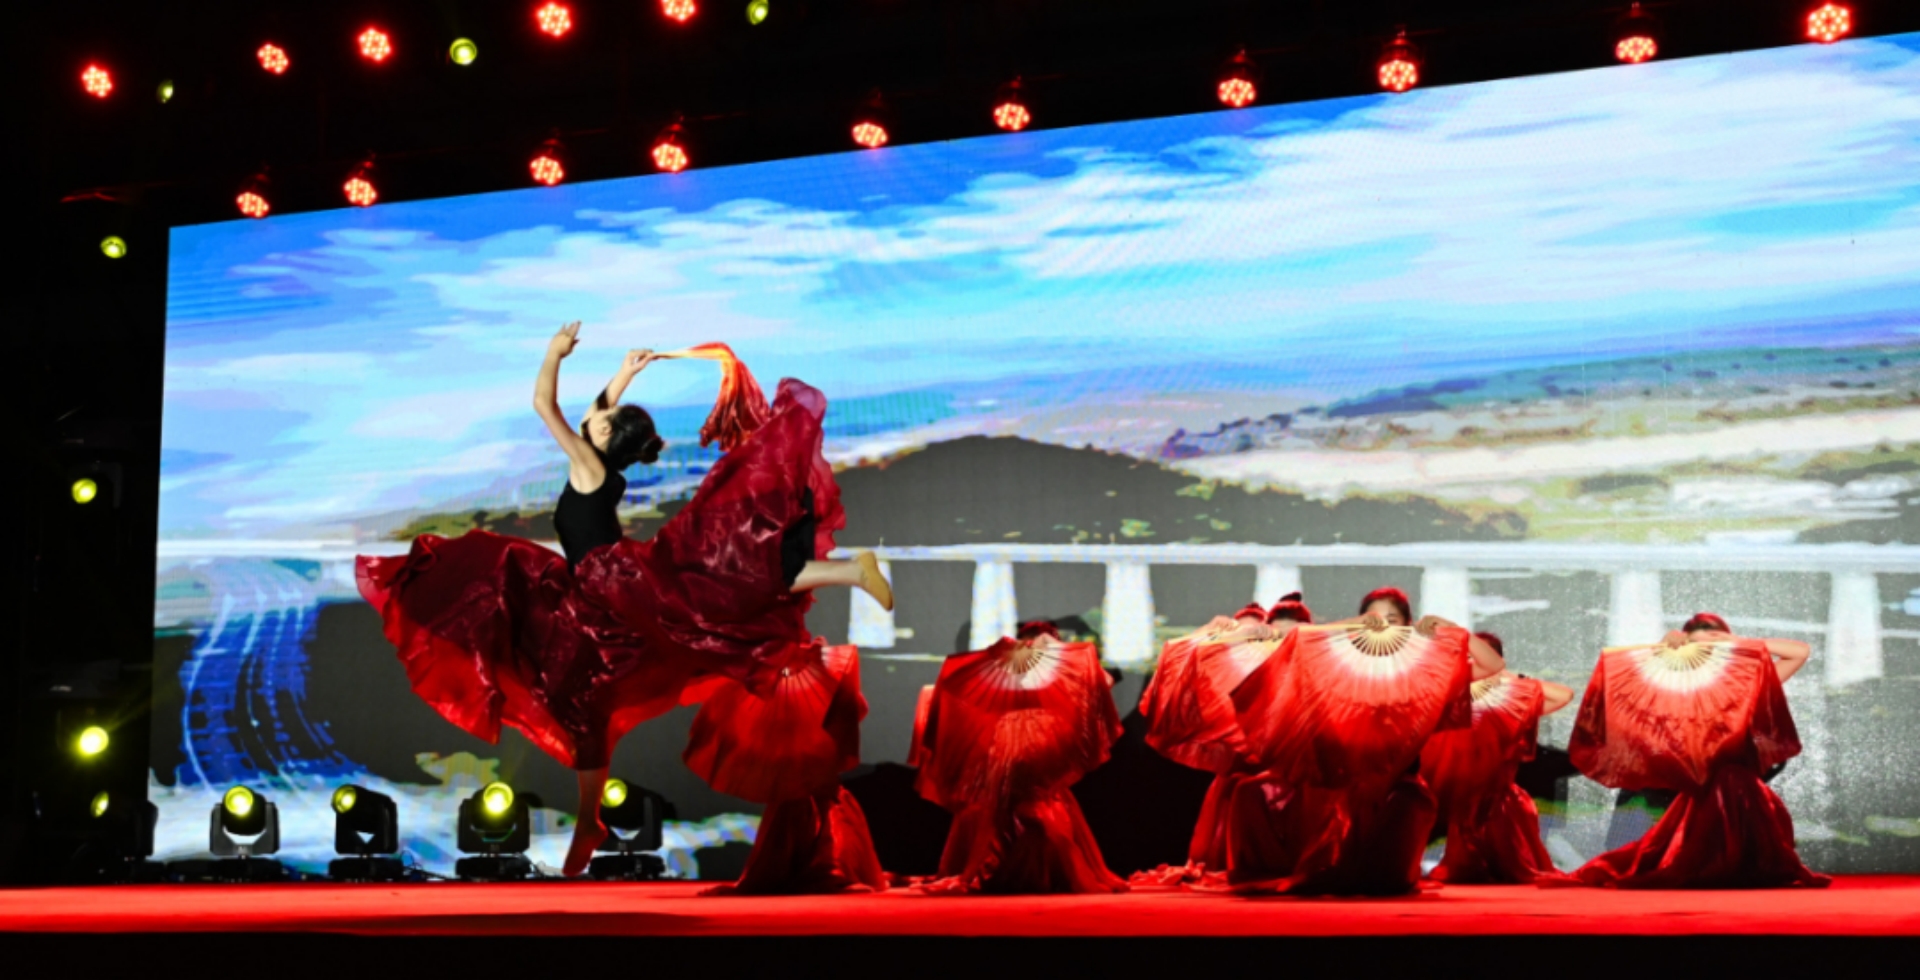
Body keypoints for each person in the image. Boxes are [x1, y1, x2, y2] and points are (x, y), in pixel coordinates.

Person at [357, 323, 892, 876]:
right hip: (590, 590)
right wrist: (624, 374)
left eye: (602, 418)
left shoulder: (589, 465)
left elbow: (544, 405)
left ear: (604, 435)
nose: (593, 414)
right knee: (586, 701)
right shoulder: (598, 462)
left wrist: (554, 354)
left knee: (715, 602)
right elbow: (597, 411)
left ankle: (850, 572)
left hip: (611, 586)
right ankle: (590, 820)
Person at [1223, 586, 1474, 895]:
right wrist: (1352, 626)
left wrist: (1448, 627)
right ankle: (1275, 869)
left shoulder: (1424, 670)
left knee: (1398, 805)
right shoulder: (1338, 664)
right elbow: (1300, 639)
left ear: (1408, 625)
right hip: (1335, 780)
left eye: (1391, 620)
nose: (1381, 626)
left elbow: (1489, 666)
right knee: (1251, 790)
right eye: (1373, 618)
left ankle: (1358, 870)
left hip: (1395, 783)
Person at [1560, 612, 1827, 889]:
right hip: (1675, 785)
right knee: (1650, 850)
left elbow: (1799, 652)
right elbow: (1624, 689)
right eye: (1700, 645)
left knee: (1732, 786)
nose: (1708, 650)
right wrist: (1661, 648)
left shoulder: (1746, 680)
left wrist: (1738, 643)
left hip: (1731, 785)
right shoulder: (1668, 685)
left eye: (1714, 645)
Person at [909, 620, 1127, 894]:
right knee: (1028, 798)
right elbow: (1103, 683)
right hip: (1033, 733)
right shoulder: (1046, 668)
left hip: (1021, 733)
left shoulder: (1015, 667)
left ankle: (1020, 864)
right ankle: (1039, 866)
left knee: (1023, 798)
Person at [681, 640, 888, 894]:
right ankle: (824, 868)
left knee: (817, 795)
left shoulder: (811, 671)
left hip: (802, 719)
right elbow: (857, 708)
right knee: (810, 795)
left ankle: (828, 867)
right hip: (794, 718)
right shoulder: (792, 673)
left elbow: (856, 708)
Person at [1133, 593, 1310, 885]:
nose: (1283, 641)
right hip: (1248, 771)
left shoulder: (1314, 672)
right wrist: (1216, 632)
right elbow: (1183, 656)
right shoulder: (1247, 668)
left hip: (1299, 775)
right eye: (1278, 634)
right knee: (1238, 793)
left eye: (1293, 635)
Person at [1420, 631, 1574, 883]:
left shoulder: (1511, 702)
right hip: (1455, 794)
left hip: (1500, 798)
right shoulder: (1448, 697)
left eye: (1482, 656)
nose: (1474, 662)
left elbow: (1563, 695)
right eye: (1468, 657)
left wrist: (1507, 678)